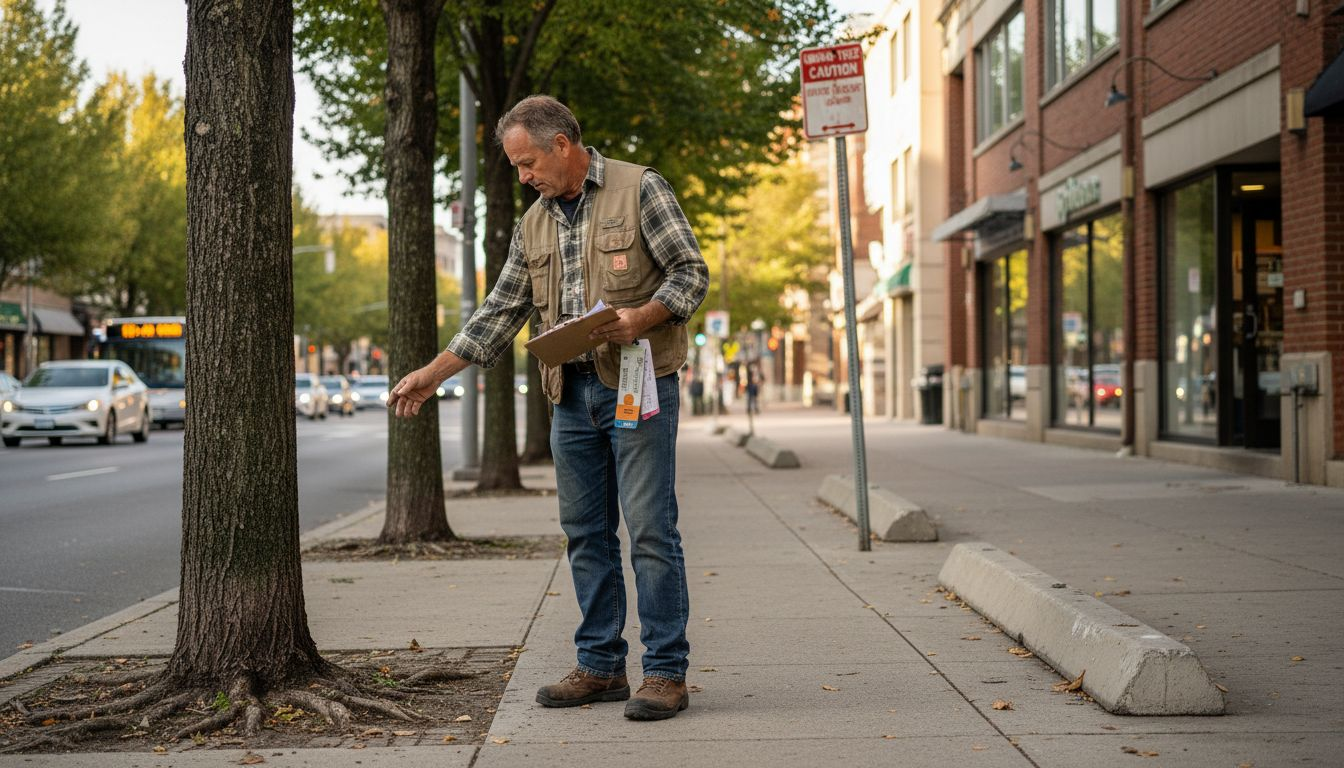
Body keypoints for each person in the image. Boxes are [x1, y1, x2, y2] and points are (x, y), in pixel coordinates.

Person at [386, 95, 708, 721]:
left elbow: (690, 274)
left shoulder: (640, 187)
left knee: (648, 530)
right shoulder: (533, 222)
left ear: (562, 144)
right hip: (571, 396)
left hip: (638, 386)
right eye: (514, 166)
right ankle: (601, 665)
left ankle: (666, 673)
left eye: (527, 162)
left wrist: (640, 317)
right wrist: (431, 374)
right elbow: (500, 312)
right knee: (585, 534)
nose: (523, 176)